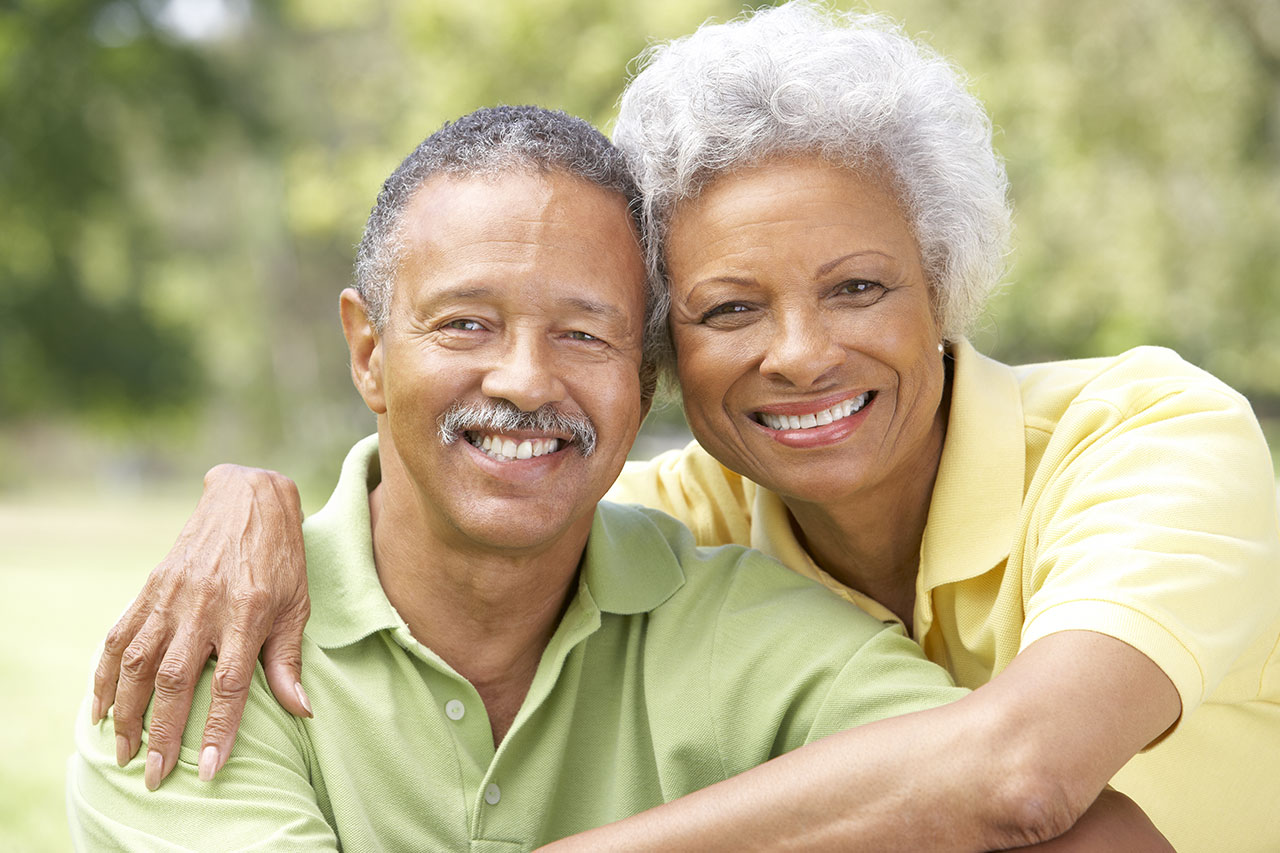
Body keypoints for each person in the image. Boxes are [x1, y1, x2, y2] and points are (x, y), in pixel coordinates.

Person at [90, 4, 1280, 851]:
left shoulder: (1145, 435)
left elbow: (1021, 777)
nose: (801, 350)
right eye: (729, 307)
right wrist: (251, 497)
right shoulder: (671, 534)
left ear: (942, 287)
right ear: (669, 354)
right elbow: (481, 493)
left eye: (858, 287)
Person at [69, 105, 990, 850]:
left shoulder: (754, 631)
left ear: (642, 382)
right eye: (466, 323)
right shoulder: (203, 651)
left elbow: (1062, 816)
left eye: (584, 334)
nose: (524, 380)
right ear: (368, 351)